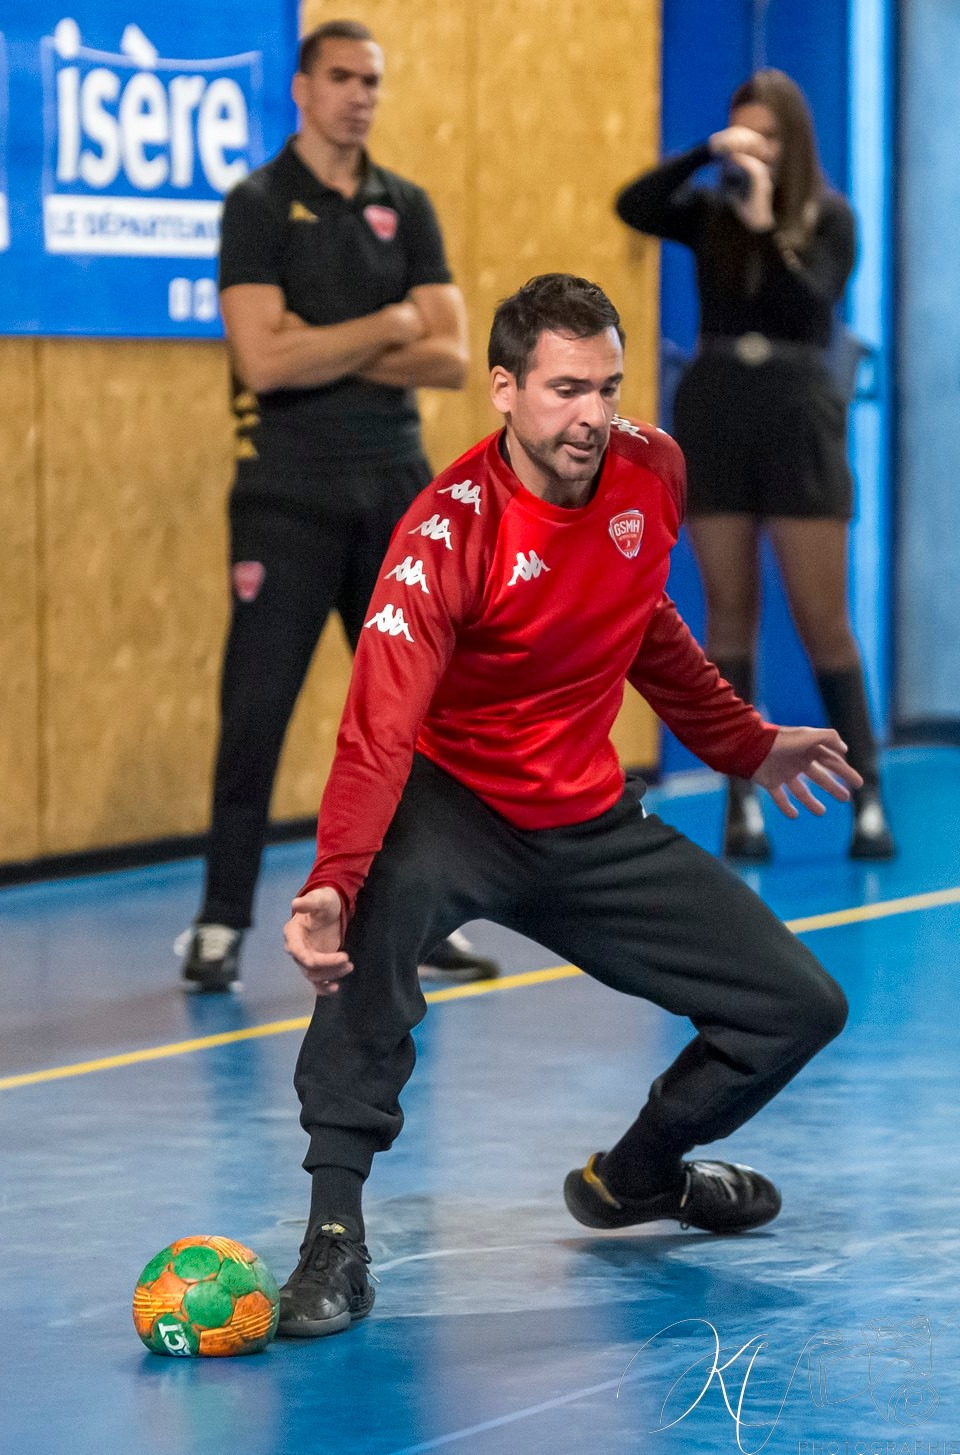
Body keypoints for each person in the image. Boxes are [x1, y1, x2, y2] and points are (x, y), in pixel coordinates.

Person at [274, 273, 855, 1339]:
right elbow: (377, 725)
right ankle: (333, 1242)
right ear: (503, 389)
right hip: (454, 807)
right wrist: (333, 879)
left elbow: (646, 626)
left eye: (607, 387)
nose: (591, 414)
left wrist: (743, 743)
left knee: (797, 1005)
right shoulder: (447, 531)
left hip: (585, 819)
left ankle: (638, 1176)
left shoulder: (651, 468)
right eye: (565, 389)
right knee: (362, 959)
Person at [178, 19, 500, 992]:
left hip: (397, 495)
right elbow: (262, 360)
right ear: (302, 88)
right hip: (286, 498)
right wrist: (392, 321)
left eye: (372, 80)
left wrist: (322, 339)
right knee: (255, 711)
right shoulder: (258, 205)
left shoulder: (407, 204)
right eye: (343, 78)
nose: (360, 95)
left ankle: (424, 916)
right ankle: (220, 923)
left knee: (418, 717)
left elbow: (451, 357)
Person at [615, 68, 894, 861]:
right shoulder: (712, 212)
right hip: (718, 409)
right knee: (730, 611)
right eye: (745, 134)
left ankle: (868, 796)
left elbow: (813, 303)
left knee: (821, 618)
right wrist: (708, 152)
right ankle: (743, 798)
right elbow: (634, 205)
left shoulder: (830, 218)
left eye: (767, 137)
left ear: (793, 141)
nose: (755, 150)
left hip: (798, 412)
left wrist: (770, 221)